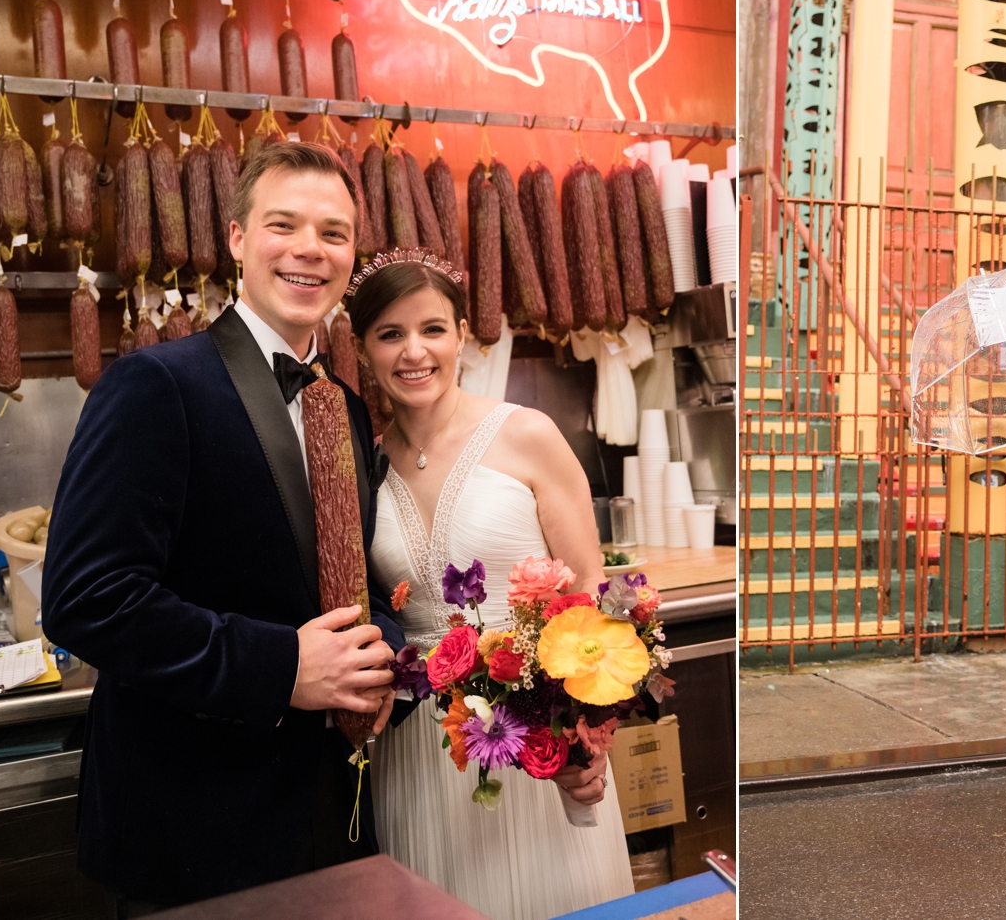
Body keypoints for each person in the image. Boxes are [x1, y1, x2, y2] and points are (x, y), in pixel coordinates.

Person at [42, 142, 403, 912]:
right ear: (237, 239)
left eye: (333, 233)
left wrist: (385, 660)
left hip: (328, 818)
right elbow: (86, 599)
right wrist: (281, 668)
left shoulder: (345, 402)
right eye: (284, 224)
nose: (310, 249)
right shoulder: (155, 383)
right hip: (192, 832)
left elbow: (353, 580)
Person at [352, 252, 636, 920]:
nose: (413, 352)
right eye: (390, 334)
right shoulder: (362, 468)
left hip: (536, 743)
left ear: (463, 336)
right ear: (363, 349)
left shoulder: (527, 435)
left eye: (432, 329)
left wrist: (584, 736)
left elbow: (594, 599)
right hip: (420, 755)